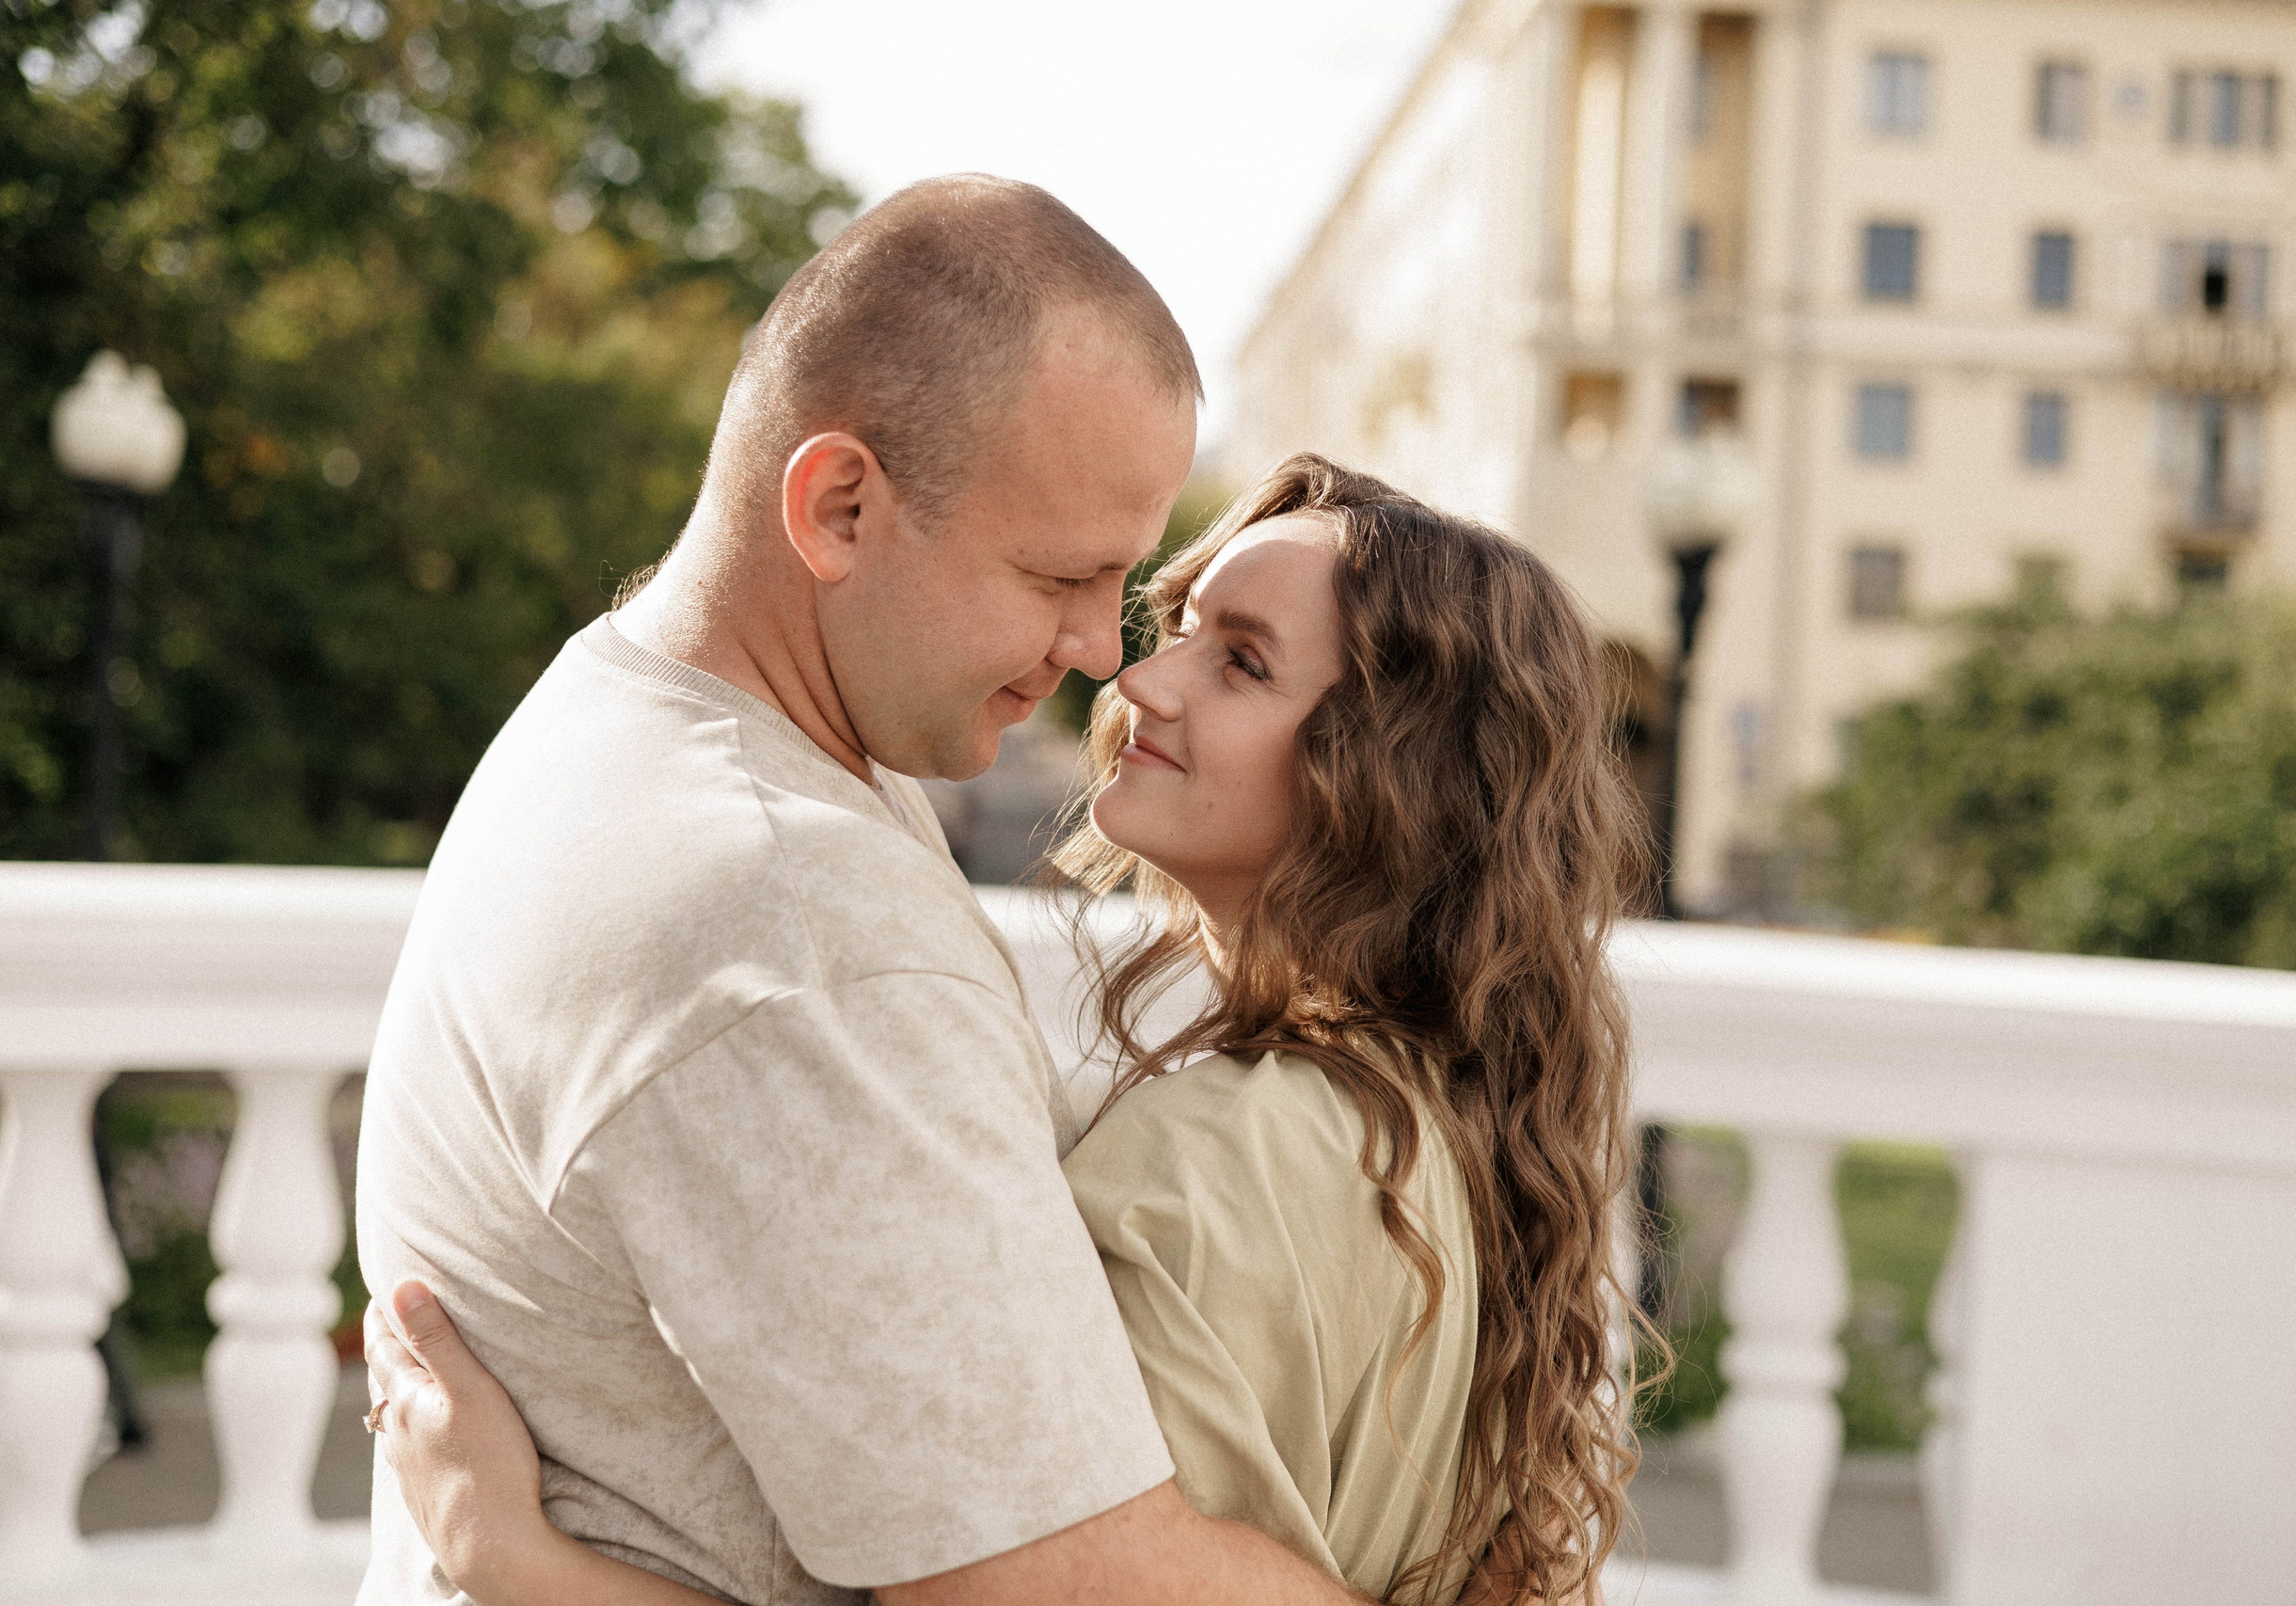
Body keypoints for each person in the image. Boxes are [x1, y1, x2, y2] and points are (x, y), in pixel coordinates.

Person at [363, 455, 1655, 1605]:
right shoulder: (1454, 1132)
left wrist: (519, 1564)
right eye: (1183, 627)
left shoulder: (1215, 1160)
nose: (1139, 675)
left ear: (1391, 782)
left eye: (1241, 662)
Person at [355, 176, 1370, 1606]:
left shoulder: (655, 722)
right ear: (839, 506)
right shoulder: (788, 913)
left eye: (1128, 580)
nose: (1100, 650)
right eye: (1060, 576)